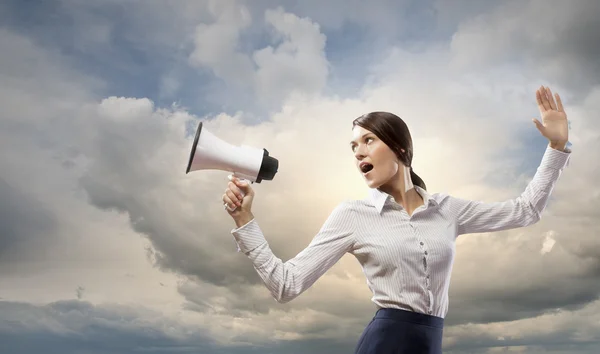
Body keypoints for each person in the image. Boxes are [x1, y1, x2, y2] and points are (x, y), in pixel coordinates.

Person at [221, 86, 571, 353]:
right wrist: (245, 219)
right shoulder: (352, 215)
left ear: (400, 149)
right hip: (385, 341)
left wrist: (556, 148)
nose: (358, 151)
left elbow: (525, 211)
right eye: (353, 146)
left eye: (368, 140)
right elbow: (286, 285)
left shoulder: (447, 210)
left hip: (430, 341)